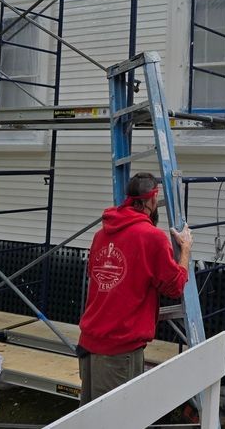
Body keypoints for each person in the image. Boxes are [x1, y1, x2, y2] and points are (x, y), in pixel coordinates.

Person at [77, 172, 193, 404]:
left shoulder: (101, 235)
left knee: (91, 417)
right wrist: (186, 250)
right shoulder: (152, 237)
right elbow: (175, 287)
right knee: (117, 418)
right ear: (153, 199)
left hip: (88, 343)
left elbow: (98, 276)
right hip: (119, 350)